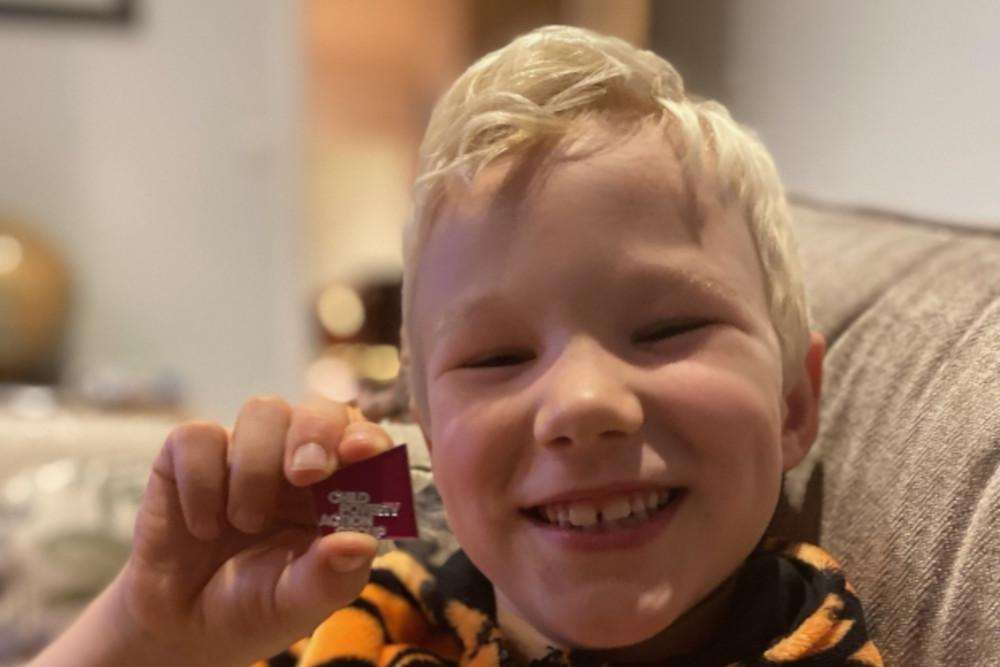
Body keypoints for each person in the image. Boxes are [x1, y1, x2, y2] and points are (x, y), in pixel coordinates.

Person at [29, 25, 883, 666]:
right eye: (497, 357)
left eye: (667, 328)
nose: (584, 402)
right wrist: (148, 625)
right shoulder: (354, 609)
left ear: (793, 404)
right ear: (430, 434)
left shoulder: (815, 636)